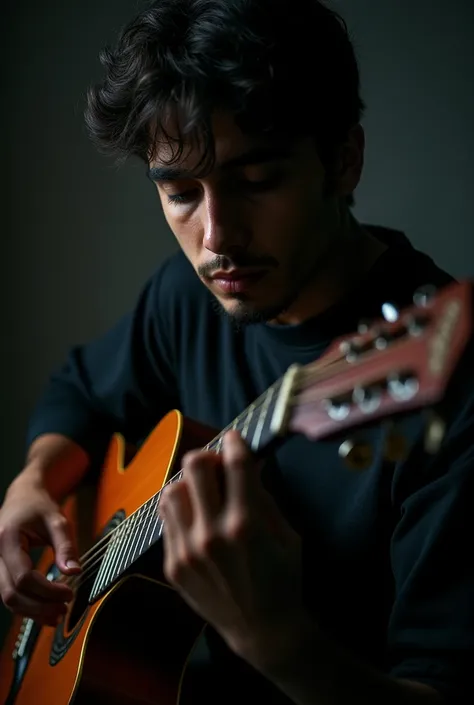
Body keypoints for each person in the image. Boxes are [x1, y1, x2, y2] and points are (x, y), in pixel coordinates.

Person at [0, 0, 472, 703]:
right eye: (181, 192)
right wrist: (34, 479)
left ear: (344, 159)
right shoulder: (187, 298)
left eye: (257, 181)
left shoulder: (452, 386)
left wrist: (276, 639)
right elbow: (81, 389)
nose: (217, 237)